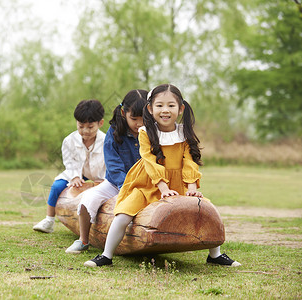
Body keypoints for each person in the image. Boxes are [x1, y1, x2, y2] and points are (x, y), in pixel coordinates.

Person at [84, 84, 241, 267]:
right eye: (159, 106)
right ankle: (106, 255)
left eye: (171, 106)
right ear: (150, 109)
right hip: (148, 183)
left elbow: (189, 160)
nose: (165, 110)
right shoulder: (146, 133)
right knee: (123, 215)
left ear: (180, 108)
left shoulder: (184, 132)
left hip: (178, 184)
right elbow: (149, 161)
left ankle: (215, 254)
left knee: (206, 209)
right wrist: (163, 188)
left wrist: (191, 188)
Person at [65, 90, 148, 253]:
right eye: (134, 119)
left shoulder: (154, 132)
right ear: (124, 113)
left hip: (148, 183)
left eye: (143, 119)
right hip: (116, 183)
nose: (139, 123)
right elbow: (113, 165)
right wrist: (126, 187)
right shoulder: (115, 133)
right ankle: (83, 239)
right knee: (87, 200)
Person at [33, 99, 106, 233]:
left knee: (104, 193)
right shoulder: (69, 140)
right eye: (80, 126)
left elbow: (108, 162)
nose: (85, 131)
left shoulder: (106, 141)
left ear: (100, 123)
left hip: (99, 173)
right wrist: (75, 177)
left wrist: (103, 179)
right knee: (56, 186)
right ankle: (49, 220)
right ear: (76, 123)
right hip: (78, 171)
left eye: (90, 127)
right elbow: (69, 162)